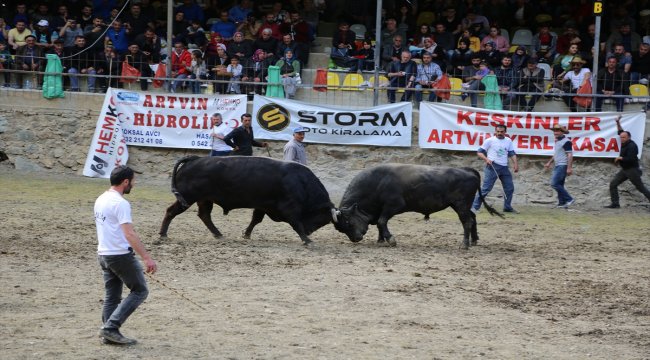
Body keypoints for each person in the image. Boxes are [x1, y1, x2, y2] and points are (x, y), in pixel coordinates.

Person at [95, 165, 157, 345]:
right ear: (125, 181)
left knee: (112, 297)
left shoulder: (101, 198)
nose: (134, 184)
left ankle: (108, 333)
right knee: (140, 291)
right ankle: (110, 328)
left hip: (104, 254)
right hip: (119, 255)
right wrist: (147, 257)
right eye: (133, 181)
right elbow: (129, 234)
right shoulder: (120, 203)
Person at [471, 124, 519, 213]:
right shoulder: (490, 140)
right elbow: (479, 152)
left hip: (504, 167)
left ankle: (507, 207)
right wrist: (486, 159)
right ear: (495, 131)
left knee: (509, 188)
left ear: (505, 132)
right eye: (498, 131)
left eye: (501, 132)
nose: (499, 133)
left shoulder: (508, 141)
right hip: (492, 167)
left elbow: (512, 153)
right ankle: (474, 207)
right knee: (486, 188)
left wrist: (515, 164)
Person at [605, 116, 650, 208]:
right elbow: (620, 131)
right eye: (621, 137)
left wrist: (620, 158)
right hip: (625, 170)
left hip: (632, 170)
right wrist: (617, 122)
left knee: (641, 188)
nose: (621, 139)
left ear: (629, 137)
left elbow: (632, 159)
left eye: (624, 138)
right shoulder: (624, 141)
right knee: (613, 184)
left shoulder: (632, 146)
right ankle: (615, 204)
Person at [544, 124, 575, 208]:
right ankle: (562, 203)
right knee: (560, 184)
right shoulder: (558, 141)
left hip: (562, 165)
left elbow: (570, 155)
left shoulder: (566, 141)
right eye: (554, 131)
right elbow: (556, 153)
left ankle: (569, 199)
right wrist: (549, 162)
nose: (555, 132)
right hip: (558, 165)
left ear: (562, 132)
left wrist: (569, 168)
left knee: (554, 184)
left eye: (557, 131)